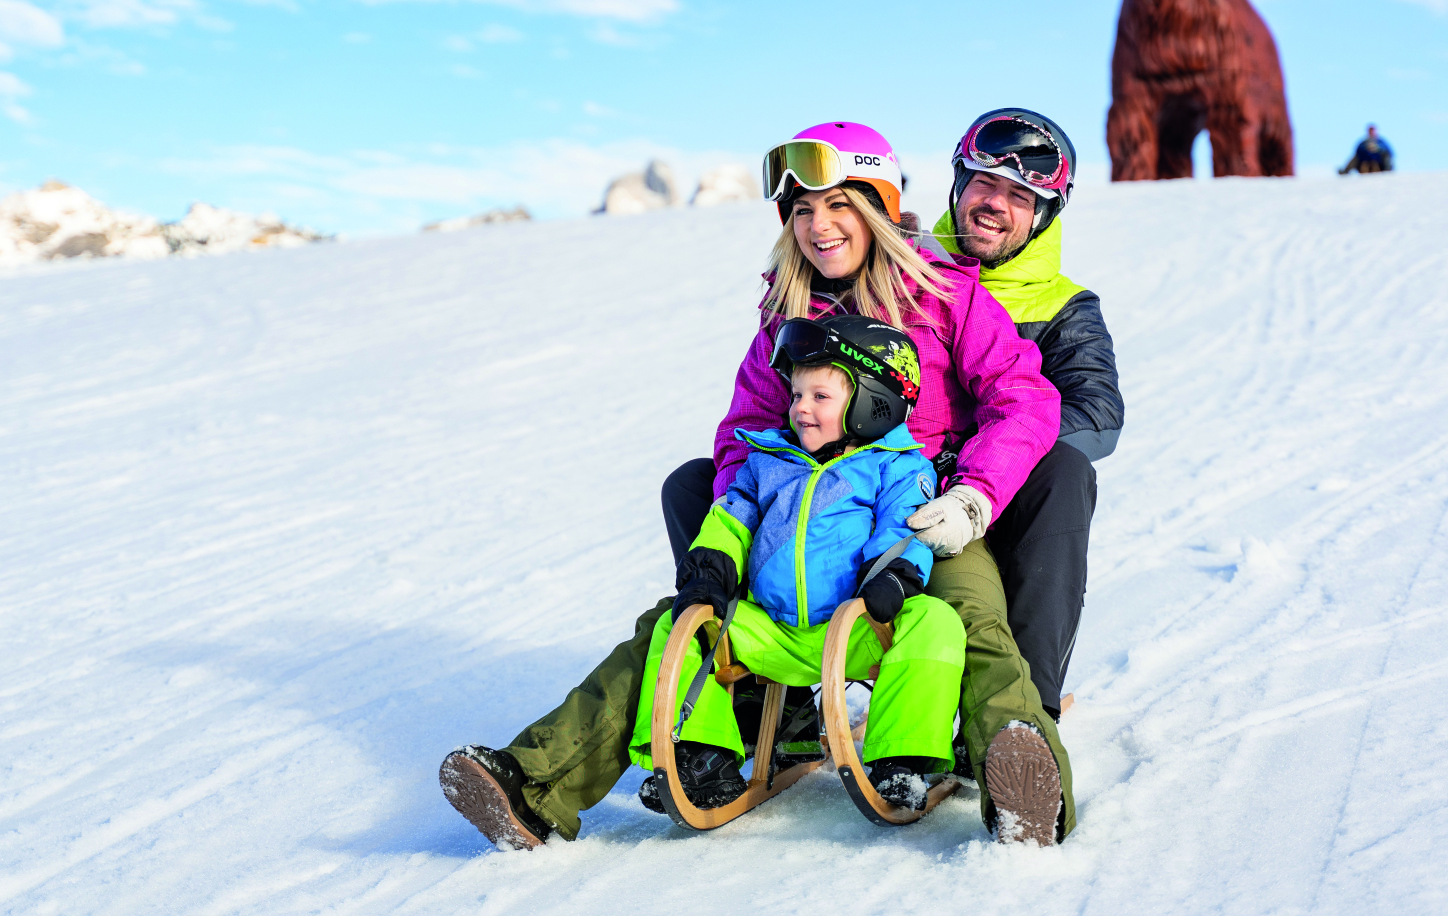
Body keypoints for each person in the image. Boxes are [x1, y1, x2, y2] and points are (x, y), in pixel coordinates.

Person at [443, 120, 1075, 849]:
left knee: (967, 612)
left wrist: (972, 496)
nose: (819, 226)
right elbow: (742, 433)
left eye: (838, 206)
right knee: (675, 626)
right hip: (802, 514)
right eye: (802, 211)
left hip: (913, 514)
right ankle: (533, 785)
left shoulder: (943, 297)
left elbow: (1024, 398)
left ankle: (1026, 793)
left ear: (874, 207)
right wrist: (732, 536)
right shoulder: (786, 316)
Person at [630, 315, 964, 815]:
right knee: (677, 624)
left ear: (874, 403)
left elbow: (902, 528)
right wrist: (709, 572)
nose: (800, 408)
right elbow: (731, 518)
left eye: (820, 397)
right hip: (772, 633)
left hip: (858, 628)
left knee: (936, 623)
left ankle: (903, 762)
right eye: (796, 395)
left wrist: (893, 576)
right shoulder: (768, 461)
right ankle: (700, 757)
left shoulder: (896, 465)